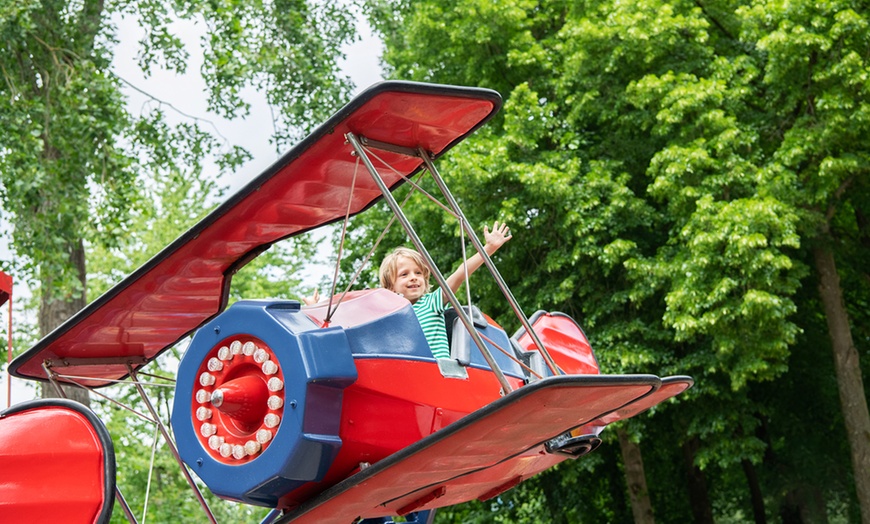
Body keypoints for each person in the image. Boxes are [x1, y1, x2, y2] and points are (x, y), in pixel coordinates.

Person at [378, 221, 512, 359]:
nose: (413, 278)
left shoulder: (431, 302)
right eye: (404, 274)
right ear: (390, 287)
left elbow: (459, 274)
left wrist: (489, 248)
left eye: (418, 273)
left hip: (439, 373)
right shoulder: (393, 318)